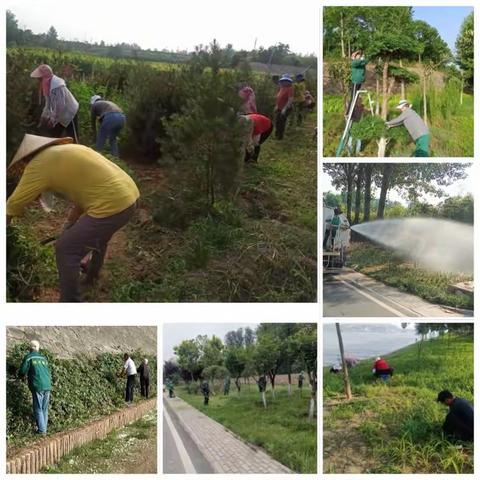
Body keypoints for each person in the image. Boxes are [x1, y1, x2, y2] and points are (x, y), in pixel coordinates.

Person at [6, 134, 140, 302]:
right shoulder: (67, 152)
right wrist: (69, 224)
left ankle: (70, 302)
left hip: (114, 204)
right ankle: (92, 278)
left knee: (66, 249)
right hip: (130, 196)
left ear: (26, 158)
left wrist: (5, 230)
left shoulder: (38, 165)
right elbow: (85, 195)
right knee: (98, 237)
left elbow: (14, 204)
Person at [30, 64, 80, 142]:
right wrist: (43, 116)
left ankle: (77, 151)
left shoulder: (57, 85)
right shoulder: (47, 85)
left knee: (72, 136)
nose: (39, 81)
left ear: (46, 76)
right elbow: (48, 103)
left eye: (40, 78)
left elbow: (61, 105)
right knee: (53, 135)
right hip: (60, 114)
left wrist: (52, 119)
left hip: (69, 111)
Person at [18, 340, 52, 435]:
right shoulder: (44, 358)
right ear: (38, 348)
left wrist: (20, 377)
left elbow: (22, 371)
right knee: (44, 409)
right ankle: (44, 429)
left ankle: (42, 431)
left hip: (38, 385)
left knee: (38, 408)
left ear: (30, 348)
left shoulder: (29, 357)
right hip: (47, 385)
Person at [347, 50, 368, 117]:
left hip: (359, 82)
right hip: (355, 82)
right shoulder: (354, 63)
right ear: (355, 57)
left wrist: (363, 58)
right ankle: (349, 113)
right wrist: (354, 57)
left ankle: (352, 113)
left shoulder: (362, 63)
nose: (359, 56)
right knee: (353, 98)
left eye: (360, 55)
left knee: (356, 98)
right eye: (358, 55)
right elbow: (356, 63)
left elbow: (366, 61)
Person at [274, 74, 294, 140]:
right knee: (277, 121)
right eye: (283, 81)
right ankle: (276, 134)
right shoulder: (281, 88)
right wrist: (277, 106)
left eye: (286, 81)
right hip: (279, 108)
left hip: (285, 108)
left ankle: (280, 136)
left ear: (288, 82)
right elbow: (278, 98)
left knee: (281, 122)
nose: (284, 82)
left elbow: (290, 100)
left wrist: (284, 109)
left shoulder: (290, 89)